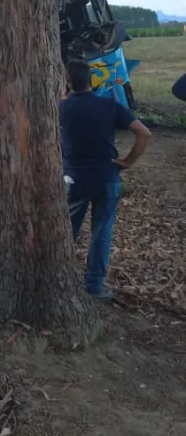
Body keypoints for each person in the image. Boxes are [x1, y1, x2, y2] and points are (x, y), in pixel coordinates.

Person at [60, 60, 151, 301]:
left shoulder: (61, 108)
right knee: (101, 232)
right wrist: (128, 161)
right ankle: (94, 287)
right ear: (91, 81)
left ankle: (60, 281)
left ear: (67, 84)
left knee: (67, 232)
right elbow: (144, 132)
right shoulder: (109, 105)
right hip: (107, 178)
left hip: (74, 180)